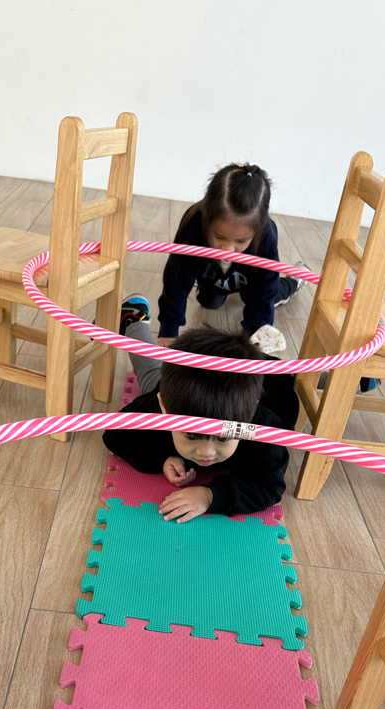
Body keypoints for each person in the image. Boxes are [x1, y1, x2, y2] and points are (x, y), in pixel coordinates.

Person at [103, 297, 298, 523]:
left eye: (222, 438)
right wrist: (162, 459)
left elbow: (269, 485)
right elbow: (115, 434)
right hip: (189, 387)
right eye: (191, 435)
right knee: (151, 374)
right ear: (164, 408)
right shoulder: (161, 408)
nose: (206, 452)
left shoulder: (264, 429)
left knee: (302, 379)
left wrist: (210, 496)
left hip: (270, 377)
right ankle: (133, 319)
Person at [157, 162, 306, 346]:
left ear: (258, 230)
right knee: (209, 302)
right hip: (211, 276)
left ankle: (295, 281)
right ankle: (221, 288)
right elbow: (176, 280)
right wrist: (169, 329)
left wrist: (256, 339)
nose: (227, 249)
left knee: (265, 296)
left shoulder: (266, 236)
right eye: (219, 236)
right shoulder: (193, 225)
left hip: (251, 281)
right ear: (207, 217)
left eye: (240, 241)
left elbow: (265, 290)